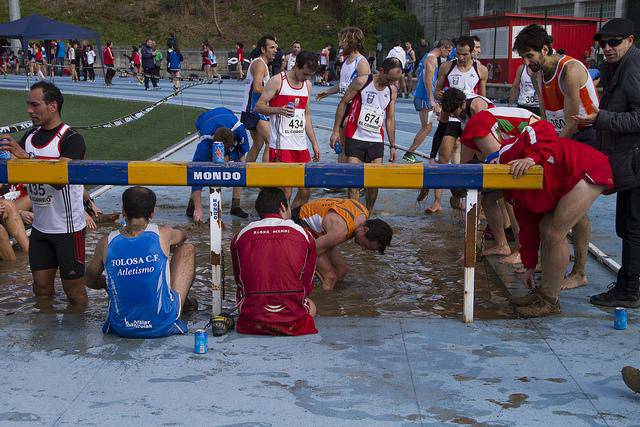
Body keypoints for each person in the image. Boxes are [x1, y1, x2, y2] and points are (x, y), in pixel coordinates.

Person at [513, 24, 599, 291]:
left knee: (577, 209)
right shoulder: (538, 73)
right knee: (553, 203)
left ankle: (580, 271)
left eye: (530, 56)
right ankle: (549, 258)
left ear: (545, 49)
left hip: (584, 136)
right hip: (559, 140)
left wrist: (547, 151)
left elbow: (574, 119)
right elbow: (543, 115)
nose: (527, 63)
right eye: (523, 58)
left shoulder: (570, 70)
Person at [497, 121, 613, 317]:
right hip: (566, 176)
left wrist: (532, 158)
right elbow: (528, 228)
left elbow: (543, 127)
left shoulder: (511, 152)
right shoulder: (510, 191)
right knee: (544, 226)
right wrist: (529, 266)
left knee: (553, 232)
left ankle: (550, 300)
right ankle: (543, 293)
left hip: (589, 168)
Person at [0, 82, 100, 307]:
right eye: (28, 104)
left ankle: (78, 339)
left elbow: (58, 180)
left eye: (35, 105)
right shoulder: (30, 136)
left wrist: (26, 159)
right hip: (40, 229)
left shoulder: (72, 139)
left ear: (52, 106)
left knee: (74, 292)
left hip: (67, 229)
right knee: (41, 289)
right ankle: (47, 337)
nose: (29, 110)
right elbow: (17, 176)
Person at [572, 18, 640, 308]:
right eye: (603, 44)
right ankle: (628, 284)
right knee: (629, 225)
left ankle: (628, 289)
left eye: (614, 42)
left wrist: (600, 118)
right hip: (629, 160)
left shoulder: (633, 68)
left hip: (635, 161)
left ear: (630, 40)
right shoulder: (621, 67)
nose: (607, 48)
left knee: (633, 227)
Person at [84, 186, 195, 338]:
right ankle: (179, 306)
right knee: (187, 249)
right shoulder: (163, 234)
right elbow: (183, 235)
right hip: (161, 325)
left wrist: (109, 282)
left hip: (121, 327)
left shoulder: (106, 242)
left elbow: (89, 280)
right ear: (152, 213)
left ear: (123, 211)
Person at [231, 188, 317, 336]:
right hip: (293, 322)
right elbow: (307, 285)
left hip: (252, 320)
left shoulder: (241, 235)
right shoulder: (304, 234)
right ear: (283, 207)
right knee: (311, 304)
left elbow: (240, 281)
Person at [424, 36, 488, 213]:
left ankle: (475, 204)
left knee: (474, 161)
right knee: (444, 157)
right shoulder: (447, 66)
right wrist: (444, 98)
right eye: (458, 53)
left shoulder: (481, 70)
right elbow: (437, 90)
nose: (461, 57)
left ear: (472, 51)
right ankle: (437, 201)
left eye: (465, 54)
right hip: (452, 115)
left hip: (470, 118)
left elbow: (483, 98)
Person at [330, 57, 403, 212]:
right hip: (355, 137)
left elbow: (390, 118)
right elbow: (343, 103)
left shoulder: (392, 90)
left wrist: (393, 146)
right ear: (381, 71)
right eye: (389, 79)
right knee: (354, 183)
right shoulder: (362, 82)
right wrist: (336, 131)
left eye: (394, 81)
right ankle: (353, 216)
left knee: (374, 184)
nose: (391, 83)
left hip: (376, 140)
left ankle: (368, 213)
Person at [254, 51, 321, 208]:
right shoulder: (278, 81)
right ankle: (281, 220)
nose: (307, 78)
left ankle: (290, 216)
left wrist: (314, 143)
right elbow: (259, 107)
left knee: (306, 189)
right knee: (285, 191)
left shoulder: (308, 85)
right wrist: (278, 110)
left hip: (300, 146)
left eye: (310, 75)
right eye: (305, 73)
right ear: (296, 65)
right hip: (281, 146)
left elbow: (307, 115)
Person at [292, 198, 393, 291]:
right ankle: (325, 307)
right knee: (330, 277)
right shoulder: (341, 232)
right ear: (365, 230)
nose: (363, 249)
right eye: (365, 245)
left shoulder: (363, 213)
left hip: (318, 227)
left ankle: (327, 290)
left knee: (342, 270)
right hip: (299, 222)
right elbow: (310, 251)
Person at [188, 107, 251, 220]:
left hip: (227, 112)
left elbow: (243, 150)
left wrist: (231, 157)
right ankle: (193, 204)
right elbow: (195, 174)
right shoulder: (205, 142)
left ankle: (236, 205)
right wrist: (199, 208)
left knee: (241, 163)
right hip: (204, 120)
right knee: (209, 168)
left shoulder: (240, 129)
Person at [403, 39, 453, 163]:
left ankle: (410, 153)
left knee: (427, 127)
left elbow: (417, 72)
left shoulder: (427, 56)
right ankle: (409, 153)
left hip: (422, 95)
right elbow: (428, 79)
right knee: (427, 127)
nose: (450, 53)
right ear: (443, 47)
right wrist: (432, 99)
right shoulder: (432, 59)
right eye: (449, 50)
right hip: (425, 97)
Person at [242, 35, 277, 163]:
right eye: (272, 47)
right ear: (263, 49)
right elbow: (257, 87)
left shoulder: (260, 64)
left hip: (251, 110)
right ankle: (266, 178)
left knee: (258, 145)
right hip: (255, 111)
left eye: (276, 47)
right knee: (271, 142)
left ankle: (244, 176)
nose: (275, 50)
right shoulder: (260, 65)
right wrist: (276, 92)